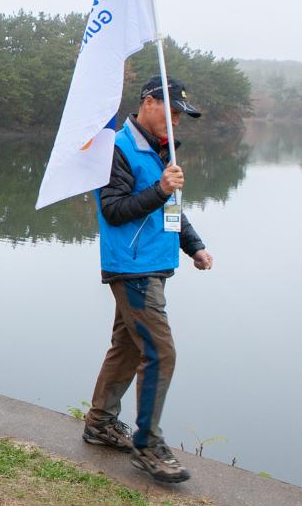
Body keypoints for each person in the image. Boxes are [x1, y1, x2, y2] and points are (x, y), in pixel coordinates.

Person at [81, 76, 213, 484]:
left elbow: (171, 209)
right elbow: (115, 210)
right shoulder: (117, 148)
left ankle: (100, 423)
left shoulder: (160, 151)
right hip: (132, 268)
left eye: (181, 117)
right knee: (160, 352)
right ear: (149, 103)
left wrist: (194, 246)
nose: (176, 122)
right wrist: (160, 188)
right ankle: (147, 443)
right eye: (172, 112)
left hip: (154, 264)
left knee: (125, 346)